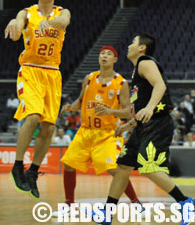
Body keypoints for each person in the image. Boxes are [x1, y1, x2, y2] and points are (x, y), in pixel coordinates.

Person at [95, 33, 195, 225]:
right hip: (143, 126)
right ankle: (107, 212)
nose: (129, 45)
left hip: (158, 123)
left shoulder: (145, 62)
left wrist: (149, 107)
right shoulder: (136, 72)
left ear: (142, 48)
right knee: (123, 166)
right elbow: (140, 111)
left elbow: (160, 86)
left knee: (148, 167)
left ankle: (185, 202)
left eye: (133, 42)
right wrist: (128, 125)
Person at [52, 45, 144, 218]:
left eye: (109, 54)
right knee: (69, 165)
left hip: (108, 133)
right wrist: (71, 107)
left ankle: (136, 203)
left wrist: (111, 112)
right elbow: (80, 100)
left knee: (114, 170)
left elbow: (127, 111)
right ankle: (69, 205)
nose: (105, 56)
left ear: (115, 59)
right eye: (102, 53)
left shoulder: (121, 83)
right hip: (85, 131)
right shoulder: (89, 78)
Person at [4, 0, 71, 198]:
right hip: (30, 70)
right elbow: (18, 24)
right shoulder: (27, 12)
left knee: (49, 127)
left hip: (53, 74)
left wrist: (49, 23)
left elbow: (63, 23)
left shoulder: (62, 12)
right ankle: (17, 166)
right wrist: (15, 24)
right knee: (32, 117)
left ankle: (33, 171)